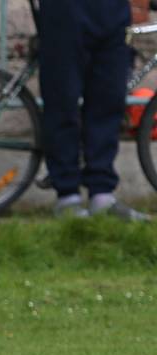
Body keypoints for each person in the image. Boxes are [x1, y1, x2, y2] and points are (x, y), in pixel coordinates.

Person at [39, 0, 151, 220]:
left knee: (108, 102)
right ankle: (67, 195)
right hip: (65, 11)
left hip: (112, 12)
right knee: (62, 102)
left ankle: (102, 194)